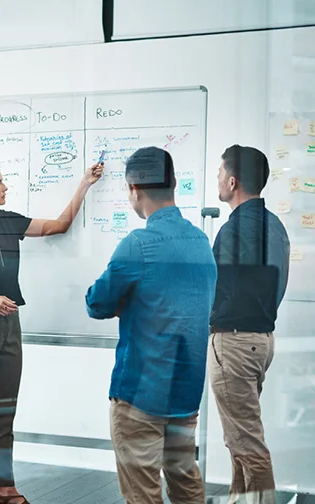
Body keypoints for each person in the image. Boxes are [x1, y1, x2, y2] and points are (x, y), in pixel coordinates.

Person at [0, 159, 103, 504]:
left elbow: (59, 225)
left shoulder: (8, 220)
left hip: (10, 322)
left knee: (5, 408)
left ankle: (6, 488)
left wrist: (84, 184)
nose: (5, 187)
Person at [86, 146, 217, 504]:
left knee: (142, 494)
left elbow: (97, 303)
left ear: (133, 190)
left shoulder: (137, 245)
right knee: (186, 483)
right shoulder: (202, 243)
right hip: (186, 392)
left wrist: (129, 301)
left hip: (141, 393)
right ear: (174, 183)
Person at [210, 145, 290, 504]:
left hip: (234, 342)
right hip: (261, 340)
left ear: (232, 181)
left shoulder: (233, 231)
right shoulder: (275, 225)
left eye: (218, 174)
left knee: (247, 444)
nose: (217, 181)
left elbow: (220, 290)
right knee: (239, 439)